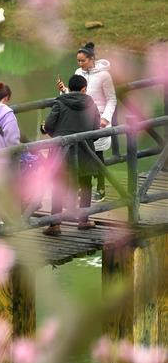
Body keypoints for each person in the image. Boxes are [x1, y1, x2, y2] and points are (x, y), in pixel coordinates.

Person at [42, 74, 101, 236]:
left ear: (70, 87)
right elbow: (96, 131)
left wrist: (59, 136)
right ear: (84, 89)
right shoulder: (91, 104)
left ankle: (55, 224)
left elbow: (48, 126)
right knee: (86, 183)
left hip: (61, 150)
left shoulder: (60, 102)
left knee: (58, 186)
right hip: (85, 150)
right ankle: (84, 220)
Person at [58, 42, 116, 202]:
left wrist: (106, 118)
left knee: (97, 155)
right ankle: (83, 187)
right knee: (82, 154)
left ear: (92, 59)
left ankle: (101, 188)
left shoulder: (104, 76)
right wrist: (64, 91)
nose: (80, 64)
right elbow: (75, 94)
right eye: (78, 61)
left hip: (99, 120)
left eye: (83, 60)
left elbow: (112, 99)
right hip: (81, 120)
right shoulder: (78, 72)